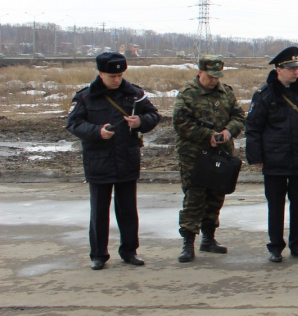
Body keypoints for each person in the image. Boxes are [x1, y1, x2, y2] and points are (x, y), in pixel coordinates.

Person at [66, 52, 161, 269]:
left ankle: (129, 251)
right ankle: (98, 254)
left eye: (119, 75)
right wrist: (96, 131)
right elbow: (73, 123)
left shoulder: (134, 94)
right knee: (99, 212)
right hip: (98, 161)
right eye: (111, 76)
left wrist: (140, 122)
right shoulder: (85, 97)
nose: (116, 79)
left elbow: (154, 115)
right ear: (100, 74)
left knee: (128, 210)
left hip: (126, 160)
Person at [246, 46, 298, 263]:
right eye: (290, 68)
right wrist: (256, 157)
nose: (295, 72)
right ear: (279, 70)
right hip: (274, 159)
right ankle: (275, 247)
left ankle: (297, 244)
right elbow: (253, 127)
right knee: (276, 205)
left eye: (296, 67)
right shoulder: (264, 94)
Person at [171, 55, 246, 263]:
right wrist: (207, 136)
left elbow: (239, 116)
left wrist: (229, 131)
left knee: (215, 197)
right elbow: (180, 123)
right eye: (210, 76)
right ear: (200, 72)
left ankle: (209, 239)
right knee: (194, 198)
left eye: (217, 76)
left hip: (221, 155)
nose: (214, 80)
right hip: (194, 156)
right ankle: (188, 242)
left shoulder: (226, 92)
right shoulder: (188, 94)